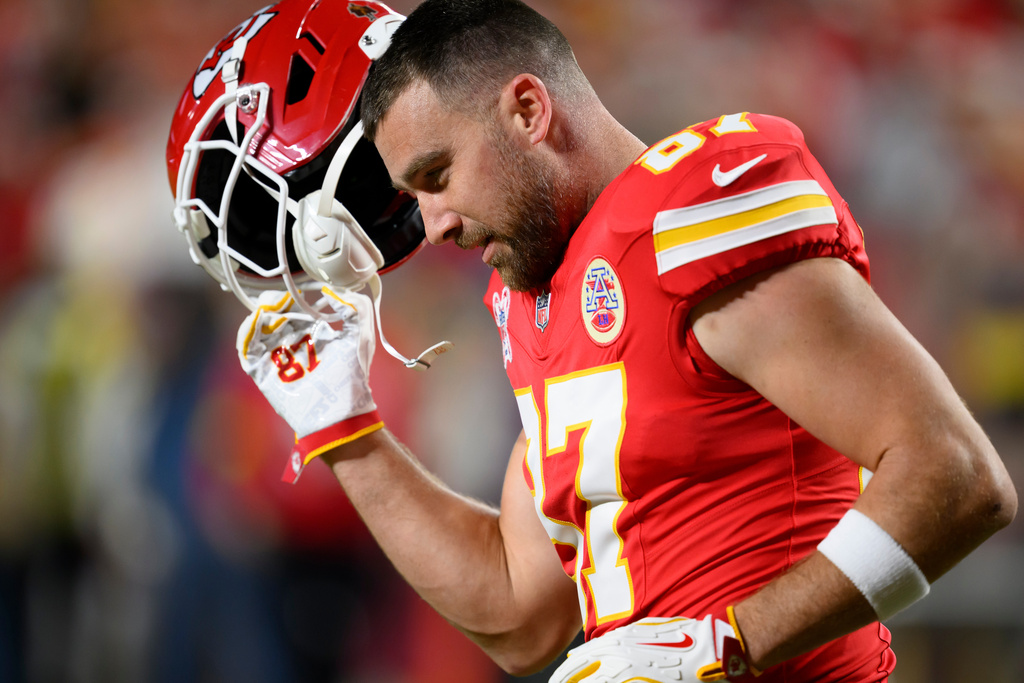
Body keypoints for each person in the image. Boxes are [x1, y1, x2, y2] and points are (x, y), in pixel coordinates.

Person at [228, 0, 1017, 681]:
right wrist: (347, 431)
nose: (433, 225)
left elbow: (957, 476)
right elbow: (518, 609)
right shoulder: (534, 295)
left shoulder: (688, 221)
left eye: (437, 175)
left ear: (528, 111)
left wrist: (731, 642)